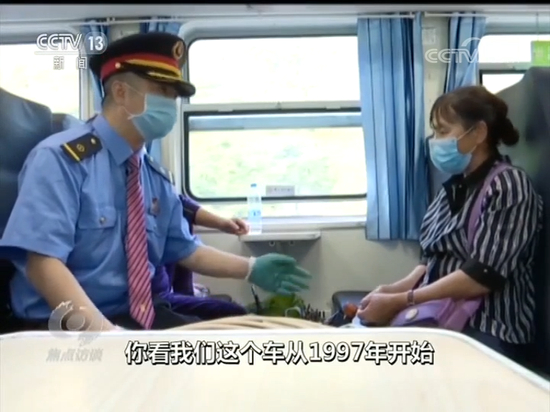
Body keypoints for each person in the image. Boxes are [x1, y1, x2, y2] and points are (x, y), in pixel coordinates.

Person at [0, 32, 311, 332]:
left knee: (233, 348)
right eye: (162, 91)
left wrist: (251, 268)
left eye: (174, 96)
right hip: (67, 325)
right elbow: (43, 263)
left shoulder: (152, 175)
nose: (170, 104)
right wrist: (106, 335)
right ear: (121, 92)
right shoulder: (61, 160)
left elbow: (186, 250)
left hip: (137, 316)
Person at [356, 86, 543, 362]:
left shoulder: (509, 185)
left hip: (489, 326)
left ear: (478, 133)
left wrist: (402, 300)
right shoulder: (452, 189)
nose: (435, 141)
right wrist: (392, 290)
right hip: (443, 315)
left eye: (443, 131)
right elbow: (431, 260)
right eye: (434, 132)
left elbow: (481, 276)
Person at [152, 194, 249, 320]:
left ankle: (186, 295)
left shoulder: (160, 190)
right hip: (152, 297)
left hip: (163, 290)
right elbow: (191, 254)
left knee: (182, 219)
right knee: (235, 314)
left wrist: (224, 224)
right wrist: (253, 268)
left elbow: (181, 204)